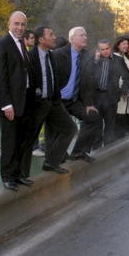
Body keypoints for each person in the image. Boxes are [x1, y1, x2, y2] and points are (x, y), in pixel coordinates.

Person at [0, 11, 35, 191]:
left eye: (23, 24)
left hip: (23, 102)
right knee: (9, 143)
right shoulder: (2, 44)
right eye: (16, 24)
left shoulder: (21, 45)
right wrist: (6, 104)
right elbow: (0, 77)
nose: (20, 28)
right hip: (10, 105)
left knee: (20, 141)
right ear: (9, 24)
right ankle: (7, 176)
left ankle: (18, 174)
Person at [27, 26, 77, 174]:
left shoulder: (52, 55)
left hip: (53, 102)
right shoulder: (30, 57)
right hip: (37, 104)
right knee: (28, 139)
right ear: (41, 39)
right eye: (51, 34)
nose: (54, 37)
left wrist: (56, 99)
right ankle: (20, 174)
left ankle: (51, 162)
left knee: (70, 128)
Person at [52, 26, 100, 163]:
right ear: (71, 39)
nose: (85, 37)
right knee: (59, 129)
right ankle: (56, 158)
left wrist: (89, 104)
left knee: (93, 116)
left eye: (86, 35)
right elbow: (51, 80)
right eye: (81, 35)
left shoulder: (85, 56)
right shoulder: (59, 55)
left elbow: (86, 82)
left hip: (73, 100)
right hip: (58, 100)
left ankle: (78, 152)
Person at [88, 39, 129, 148]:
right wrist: (95, 61)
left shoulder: (117, 60)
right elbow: (86, 74)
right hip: (96, 98)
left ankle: (108, 152)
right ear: (99, 50)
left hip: (111, 97)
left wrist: (123, 90)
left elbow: (128, 76)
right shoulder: (94, 60)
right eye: (102, 49)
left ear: (110, 48)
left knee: (110, 127)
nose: (105, 51)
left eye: (107, 48)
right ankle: (97, 152)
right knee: (96, 127)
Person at [23, 29, 46, 157]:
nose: (33, 40)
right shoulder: (27, 53)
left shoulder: (29, 52)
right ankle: (33, 146)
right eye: (31, 38)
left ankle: (36, 145)